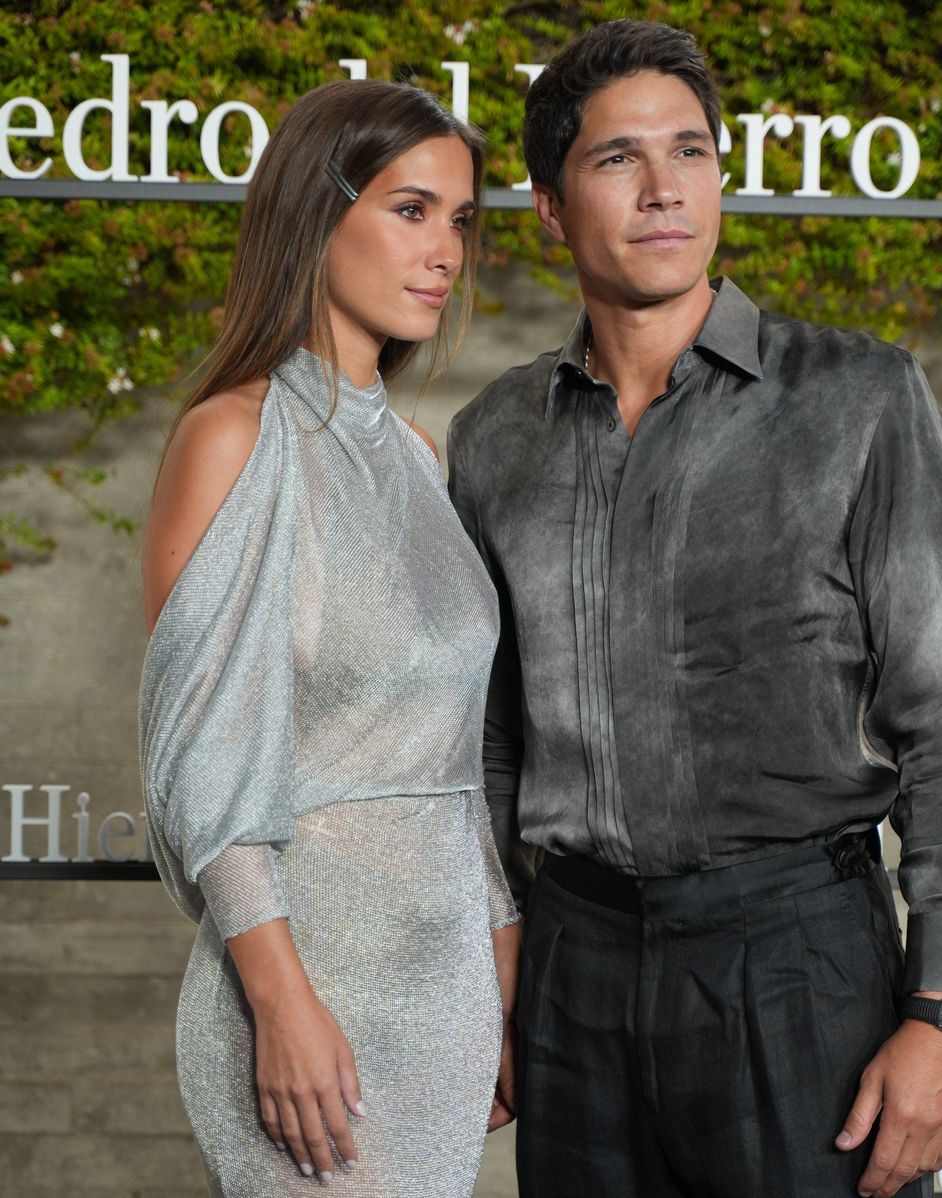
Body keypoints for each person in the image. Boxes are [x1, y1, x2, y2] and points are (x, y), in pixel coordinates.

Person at [447, 19, 942, 1198]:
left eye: (690, 152)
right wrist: (493, 980)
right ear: (551, 207)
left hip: (798, 962)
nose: (664, 190)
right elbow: (491, 745)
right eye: (617, 161)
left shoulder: (857, 397)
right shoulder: (493, 436)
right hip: (572, 966)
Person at [139, 79, 520, 1198]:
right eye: (410, 209)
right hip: (306, 987)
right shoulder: (233, 438)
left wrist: (499, 970)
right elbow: (203, 762)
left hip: (444, 989)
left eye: (459, 218)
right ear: (317, 209)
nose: (443, 248)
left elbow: (450, 764)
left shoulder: (416, 454)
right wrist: (281, 1000)